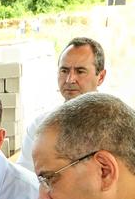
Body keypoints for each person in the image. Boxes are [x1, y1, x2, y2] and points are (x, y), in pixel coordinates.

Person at [19, 37, 107, 172]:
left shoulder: (116, 127)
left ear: (100, 77)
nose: (70, 79)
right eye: (64, 70)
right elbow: (25, 180)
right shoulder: (39, 127)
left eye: (80, 71)